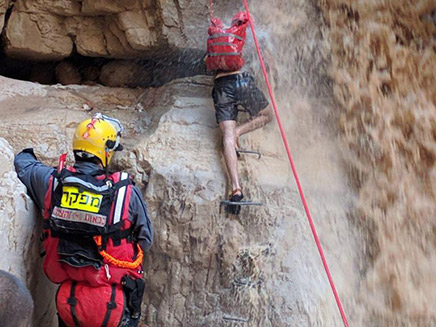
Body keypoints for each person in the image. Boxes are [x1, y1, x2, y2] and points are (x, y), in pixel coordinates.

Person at [14, 113, 153, 327]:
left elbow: (23, 163)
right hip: (113, 303)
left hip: (70, 302)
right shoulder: (125, 192)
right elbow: (146, 240)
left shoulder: (52, 183)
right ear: (105, 152)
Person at [206, 11, 273, 214]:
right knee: (268, 115)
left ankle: (236, 188)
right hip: (242, 81)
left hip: (221, 85)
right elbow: (263, 52)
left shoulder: (214, 35)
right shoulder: (241, 31)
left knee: (226, 134)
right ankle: (240, 132)